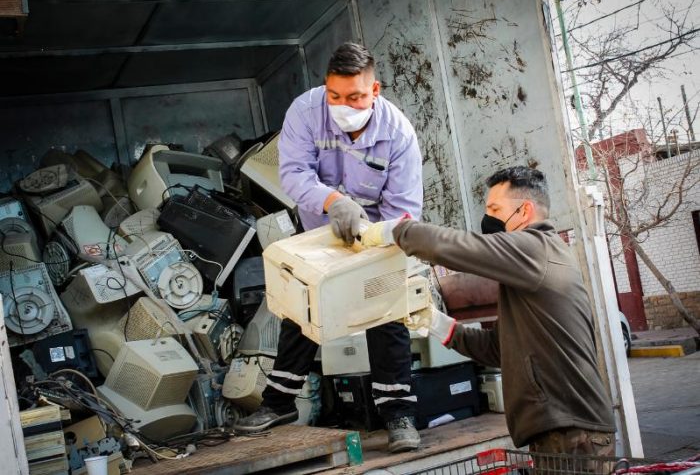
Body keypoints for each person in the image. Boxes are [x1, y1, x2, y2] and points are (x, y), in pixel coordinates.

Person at [233, 42, 424, 453]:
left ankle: (398, 415)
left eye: (355, 96)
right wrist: (335, 203)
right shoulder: (305, 112)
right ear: (325, 87)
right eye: (335, 96)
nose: (343, 105)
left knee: (385, 314)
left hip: (376, 235)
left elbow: (405, 209)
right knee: (301, 309)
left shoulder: (399, 135)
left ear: (375, 91)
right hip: (320, 228)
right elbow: (293, 174)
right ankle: (279, 403)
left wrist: (371, 240)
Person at [360, 166, 616, 463]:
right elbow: (498, 350)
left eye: (495, 208)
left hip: (574, 431)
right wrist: (435, 323)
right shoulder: (530, 266)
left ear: (525, 211)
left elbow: (456, 246)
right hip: (562, 429)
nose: (488, 218)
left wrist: (392, 230)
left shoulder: (536, 249)